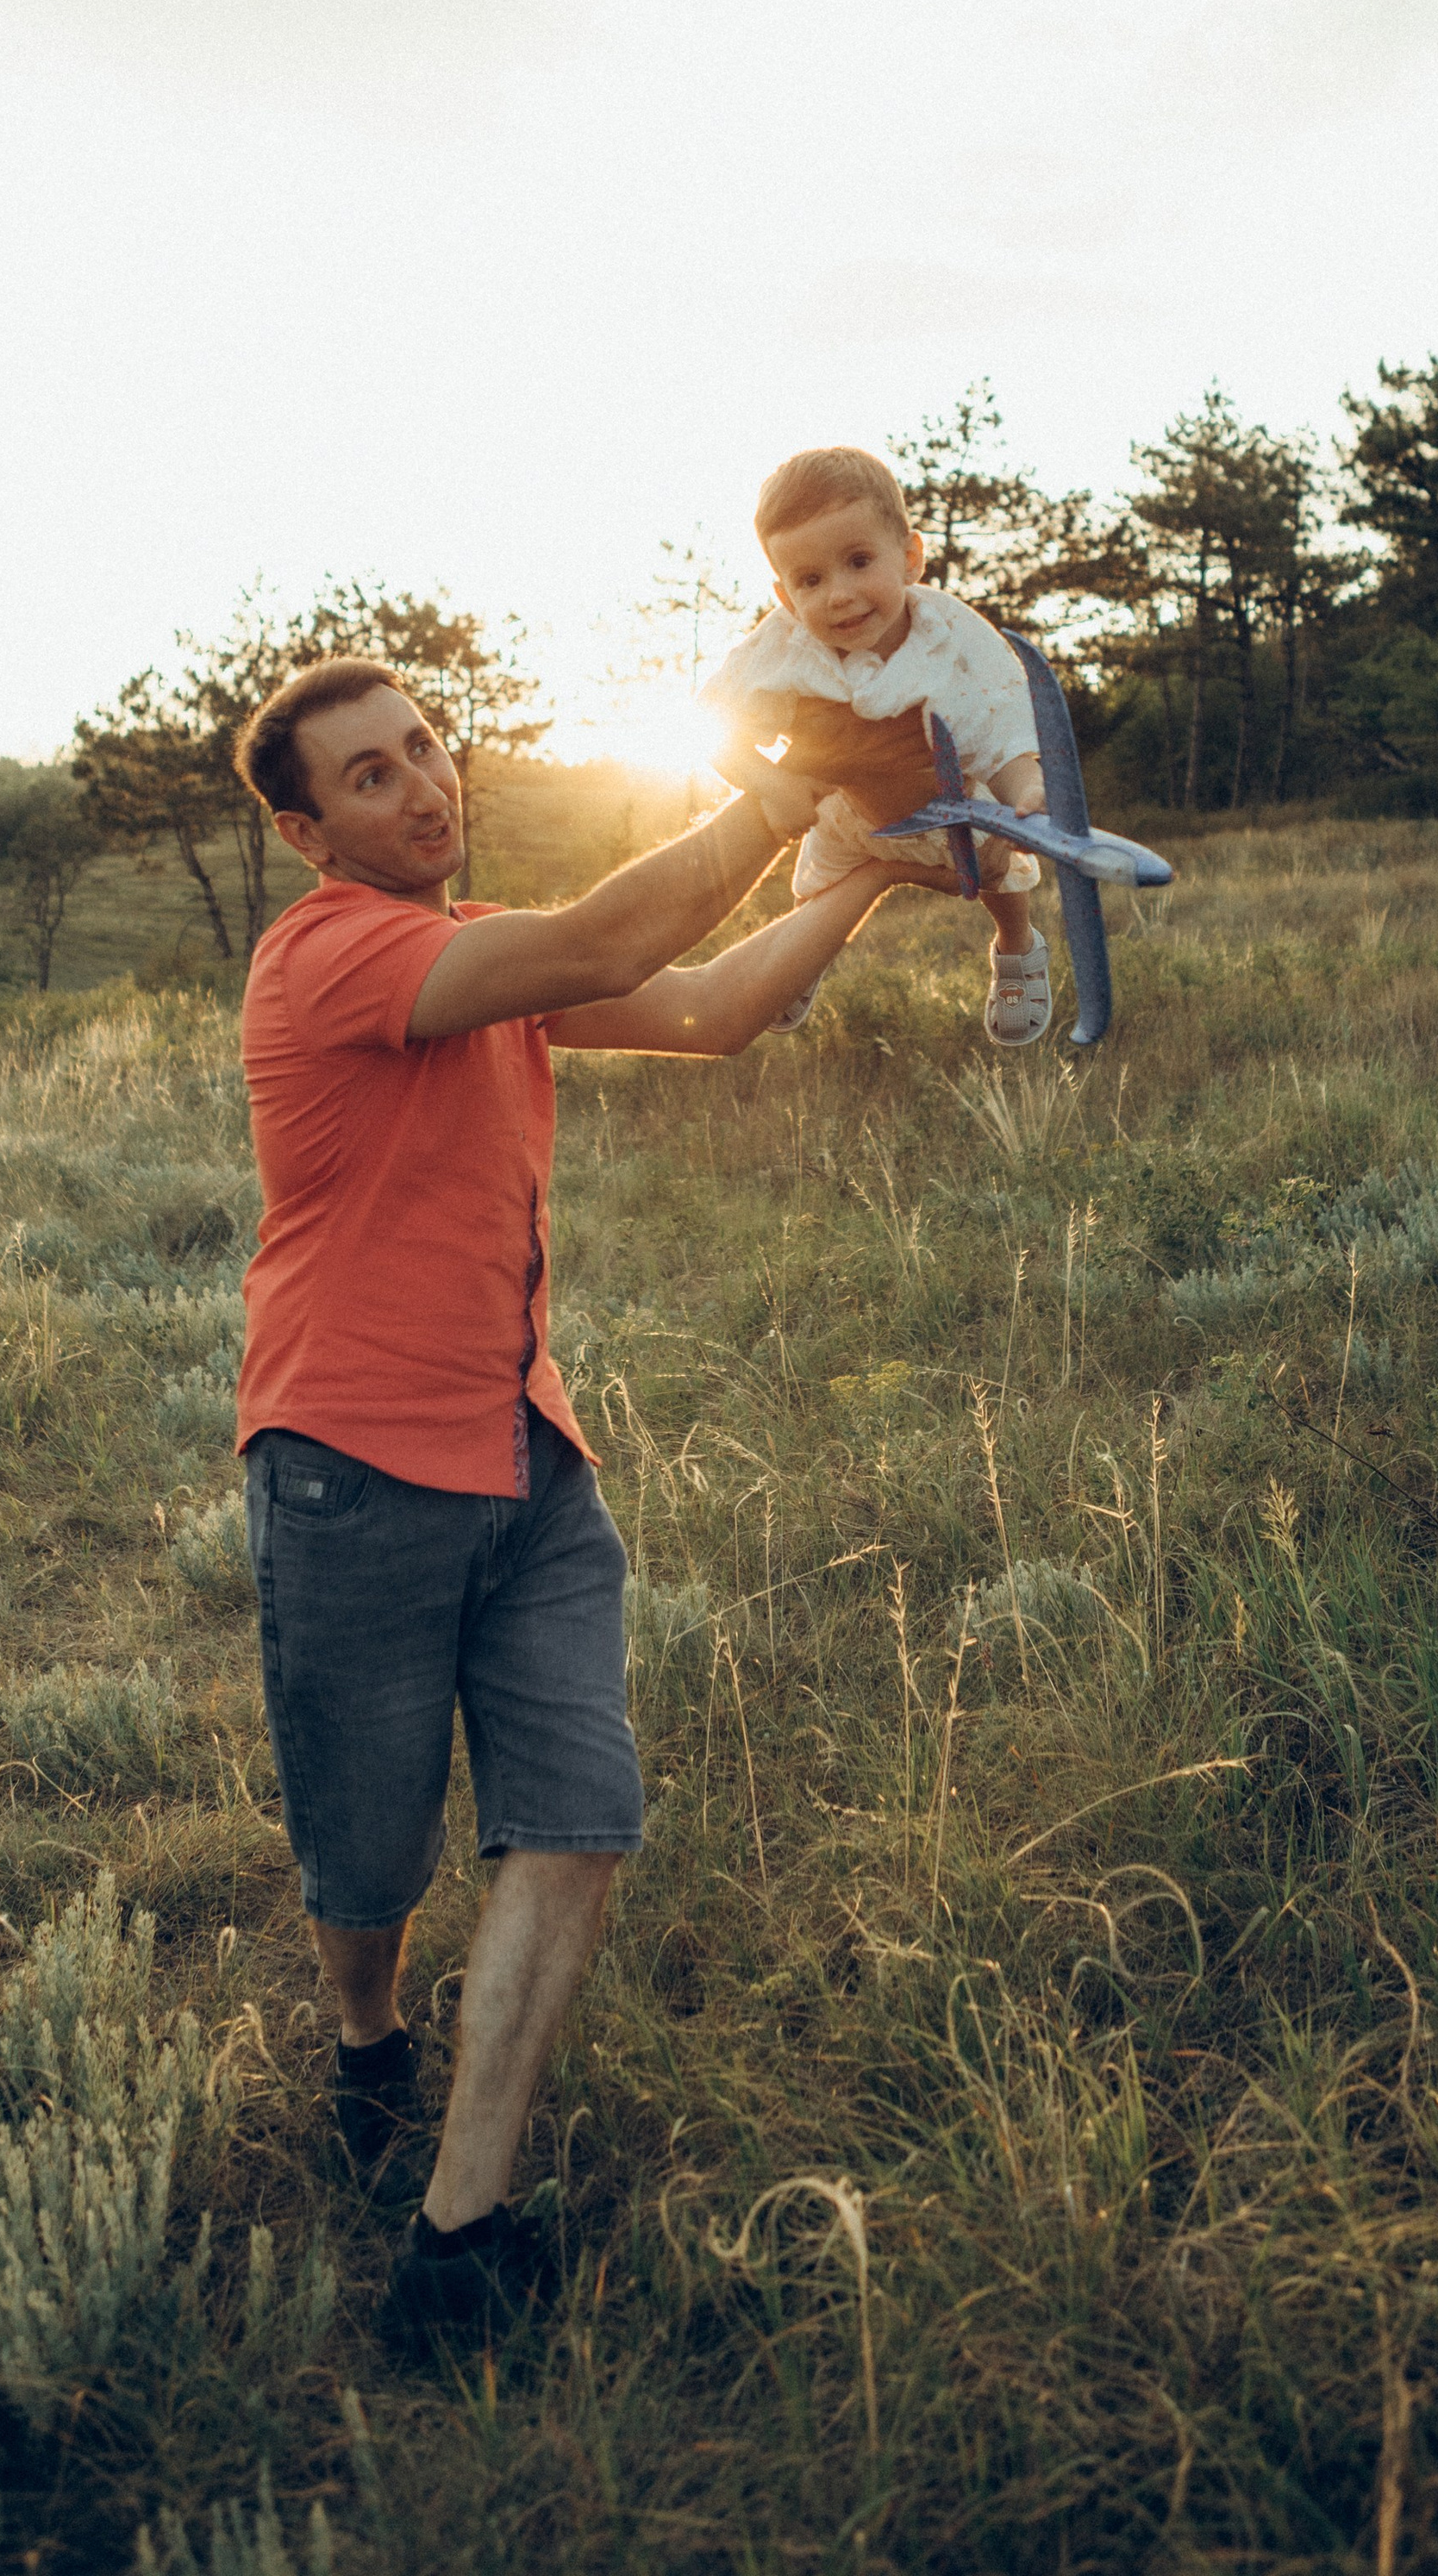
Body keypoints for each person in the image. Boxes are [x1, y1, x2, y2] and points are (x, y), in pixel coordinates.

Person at [228, 653, 933, 2356]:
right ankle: (366, 2042)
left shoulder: (474, 955)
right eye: (371, 776)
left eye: (424, 748)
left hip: (525, 1457)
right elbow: (617, 940)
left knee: (577, 1816)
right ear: (306, 828)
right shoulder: (328, 954)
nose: (419, 783)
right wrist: (783, 791)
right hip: (350, 1465)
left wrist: (859, 875)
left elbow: (702, 1003)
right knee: (369, 1854)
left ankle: (456, 2235)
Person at [699, 444, 1055, 1047]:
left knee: (1003, 879)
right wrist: (771, 782)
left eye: (859, 561)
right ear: (785, 598)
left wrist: (1026, 792)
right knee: (814, 890)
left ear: (910, 557)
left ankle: (1018, 951)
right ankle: (799, 959)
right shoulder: (783, 648)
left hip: (955, 805)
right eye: (810, 580)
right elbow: (716, 722)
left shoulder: (951, 635)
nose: (838, 594)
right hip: (847, 815)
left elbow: (1001, 723)